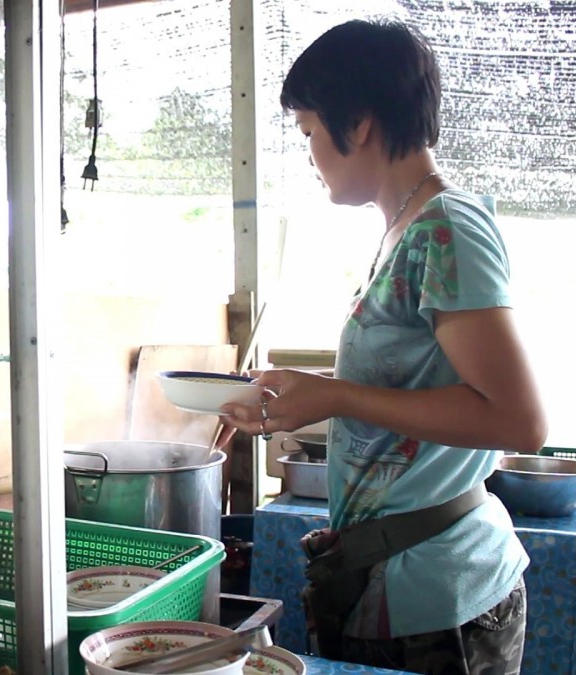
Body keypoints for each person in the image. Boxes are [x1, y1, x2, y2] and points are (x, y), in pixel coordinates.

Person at [217, 19, 548, 675]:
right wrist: (305, 386)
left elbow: (519, 420)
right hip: (396, 576)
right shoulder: (405, 230)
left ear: (359, 122)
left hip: (441, 589)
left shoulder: (447, 227)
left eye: (310, 131)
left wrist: (336, 394)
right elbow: (415, 384)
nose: (310, 153)